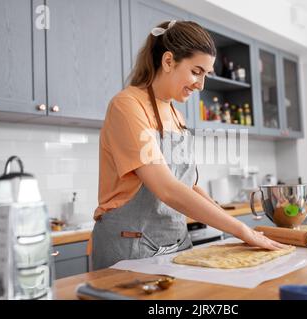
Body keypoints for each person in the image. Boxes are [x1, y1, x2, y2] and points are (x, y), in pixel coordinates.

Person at [91, 20, 287, 270]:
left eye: (206, 74)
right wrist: (240, 230)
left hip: (176, 242)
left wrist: (231, 221)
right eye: (196, 71)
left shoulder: (176, 114)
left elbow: (188, 187)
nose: (201, 85)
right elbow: (167, 189)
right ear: (168, 61)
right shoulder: (127, 106)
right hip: (132, 246)